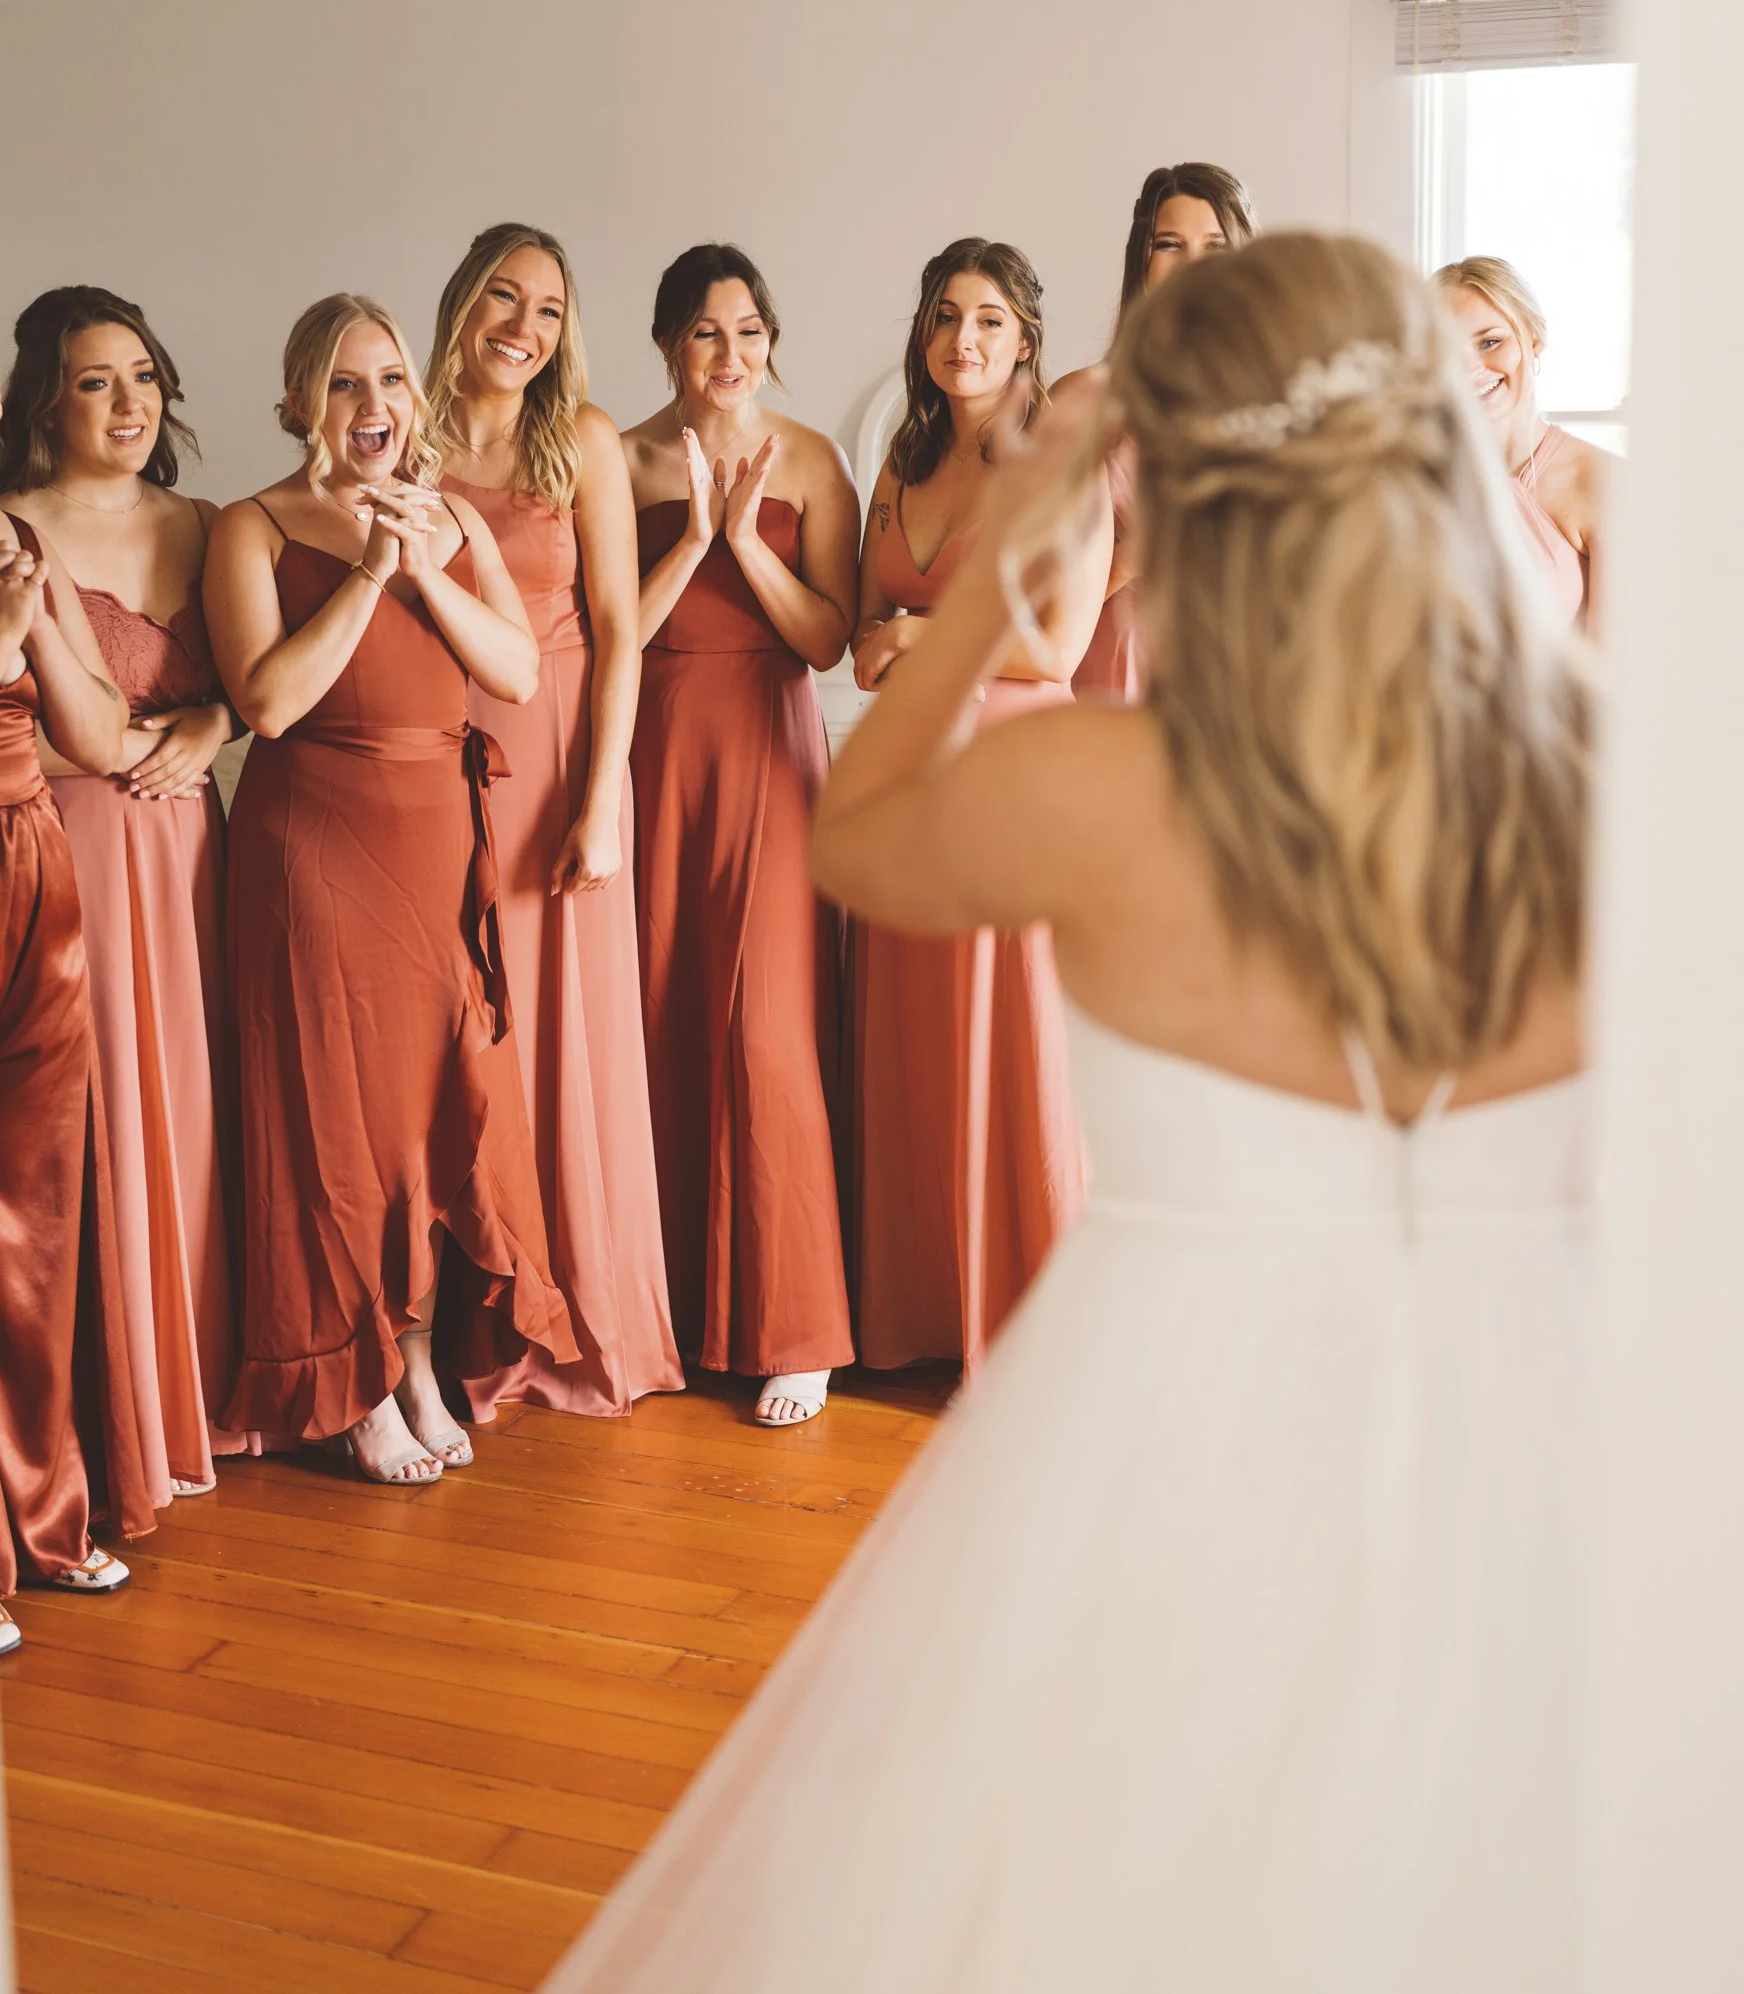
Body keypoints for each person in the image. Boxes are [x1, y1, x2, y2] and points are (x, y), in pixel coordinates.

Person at [546, 233, 1593, 1994]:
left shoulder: (1098, 784)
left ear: (1166, 493)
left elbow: (861, 826)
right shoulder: (1618, 777)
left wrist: (1005, 559)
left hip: (1173, 1423)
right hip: (1545, 1410)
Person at [205, 293, 575, 1486]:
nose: (375, 407)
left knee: (426, 1118)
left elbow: (514, 670)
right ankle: (349, 1377)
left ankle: (412, 1358)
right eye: (348, 385)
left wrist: (427, 561)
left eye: (391, 382)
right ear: (304, 400)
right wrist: (369, 571)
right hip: (313, 840)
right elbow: (265, 704)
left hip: (434, 843)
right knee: (336, 1122)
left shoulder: (452, 516)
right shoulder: (251, 526)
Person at [0, 263, 148, 1658]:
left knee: (33, 1212)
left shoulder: (7, 528)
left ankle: (43, 1513)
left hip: (38, 870)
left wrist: (34, 611)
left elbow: (103, 735)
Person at [0, 284, 253, 1512]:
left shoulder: (204, 523)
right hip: (77, 851)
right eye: (97, 381)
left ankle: (206, 1383)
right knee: (96, 1118)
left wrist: (209, 718)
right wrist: (102, 751)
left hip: (194, 847)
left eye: (142, 377)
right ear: (46, 398)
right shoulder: (4, 528)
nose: (128, 403)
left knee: (199, 1111)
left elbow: (257, 682)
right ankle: (116, 1412)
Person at [423, 224, 682, 1420]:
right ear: (462, 304)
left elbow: (624, 630)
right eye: (501, 298)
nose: (522, 326)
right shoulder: (408, 436)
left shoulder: (575, 439)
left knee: (560, 1035)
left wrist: (602, 798)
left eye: (545, 308)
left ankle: (580, 1309)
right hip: (434, 755)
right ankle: (469, 1310)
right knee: (463, 1035)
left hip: (557, 751)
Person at [847, 239, 1107, 1371]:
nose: (964, 339)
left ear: (1025, 341)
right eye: (946, 316)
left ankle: (1032, 1332)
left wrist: (917, 637)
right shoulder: (896, 472)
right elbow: (859, 643)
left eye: (990, 320)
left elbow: (1059, 641)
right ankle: (917, 1318)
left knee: (1012, 1055)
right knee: (912, 1055)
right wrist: (891, 641)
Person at [622, 245, 858, 1426]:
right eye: (707, 332)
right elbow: (612, 632)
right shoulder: (615, 461)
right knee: (659, 1009)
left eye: (750, 330)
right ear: (668, 342)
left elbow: (828, 640)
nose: (730, 354)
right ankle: (656, 1307)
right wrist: (688, 536)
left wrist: (746, 540)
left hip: (768, 747)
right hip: (655, 745)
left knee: (770, 1030)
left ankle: (796, 1321)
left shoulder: (811, 460)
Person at [1058, 160, 1259, 698]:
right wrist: (1132, 554)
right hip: (1110, 668)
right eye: (1169, 244)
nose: (1193, 263)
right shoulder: (1086, 400)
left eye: (1215, 246)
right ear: (1141, 261)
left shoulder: (1280, 400)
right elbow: (1034, 587)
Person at [1436, 254, 1610, 627]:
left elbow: (1623, 668)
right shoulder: (1412, 482)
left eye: (1490, 342)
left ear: (1534, 340)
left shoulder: (1603, 481)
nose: (1468, 368)